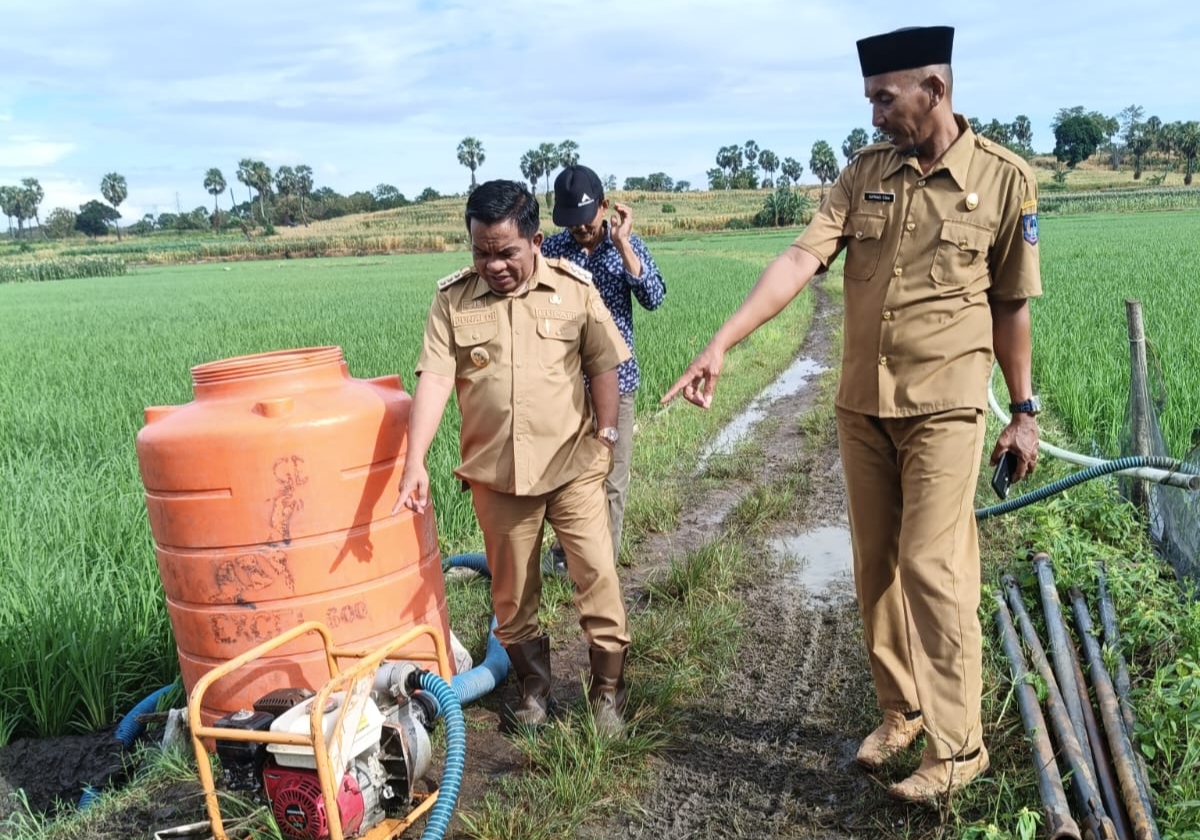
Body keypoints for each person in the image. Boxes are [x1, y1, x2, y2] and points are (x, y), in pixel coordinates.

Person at [662, 25, 1042, 802]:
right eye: (870, 97)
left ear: (934, 89)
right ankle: (900, 710)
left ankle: (959, 745)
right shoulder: (865, 173)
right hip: (863, 403)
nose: (873, 114)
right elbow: (803, 259)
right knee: (876, 567)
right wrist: (721, 342)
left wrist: (1025, 410)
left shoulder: (1005, 179)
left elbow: (1011, 305)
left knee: (933, 568)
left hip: (946, 407)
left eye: (884, 97)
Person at [393, 179, 633, 736]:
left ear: (535, 240)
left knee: (597, 577)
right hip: (498, 479)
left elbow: (603, 365)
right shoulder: (452, 300)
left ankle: (607, 696)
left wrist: (608, 436)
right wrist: (415, 460)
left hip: (573, 468)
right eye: (481, 252)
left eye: (506, 252)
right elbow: (434, 378)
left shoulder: (574, 289)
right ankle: (533, 692)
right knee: (512, 593)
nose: (493, 264)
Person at [540, 165, 666, 574]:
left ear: (605, 207)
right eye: (571, 224)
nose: (580, 230)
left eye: (587, 221)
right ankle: (565, 559)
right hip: (565, 389)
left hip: (619, 384)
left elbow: (654, 298)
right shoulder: (552, 252)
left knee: (611, 480)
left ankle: (601, 575)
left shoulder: (623, 246)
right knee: (567, 479)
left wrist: (624, 245)